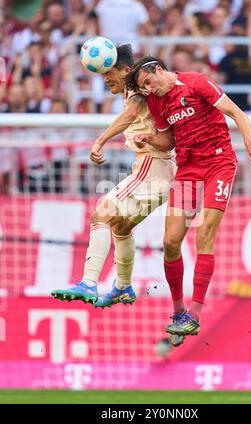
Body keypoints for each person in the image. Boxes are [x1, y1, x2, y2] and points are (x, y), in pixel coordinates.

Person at [126, 56, 251, 337]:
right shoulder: (157, 102)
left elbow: (237, 113)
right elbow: (169, 140)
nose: (149, 90)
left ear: (158, 69)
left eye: (148, 82)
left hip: (219, 163)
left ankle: (195, 312)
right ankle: (179, 310)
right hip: (188, 168)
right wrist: (150, 139)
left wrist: (250, 144)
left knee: (204, 233)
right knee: (170, 242)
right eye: (143, 88)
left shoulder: (196, 83)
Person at [51, 45, 176, 314]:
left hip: (152, 167)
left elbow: (131, 114)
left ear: (127, 71)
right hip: (156, 170)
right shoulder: (136, 87)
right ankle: (122, 286)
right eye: (102, 74)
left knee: (101, 215)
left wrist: (100, 140)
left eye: (109, 73)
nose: (106, 79)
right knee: (120, 226)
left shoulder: (138, 86)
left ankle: (88, 283)